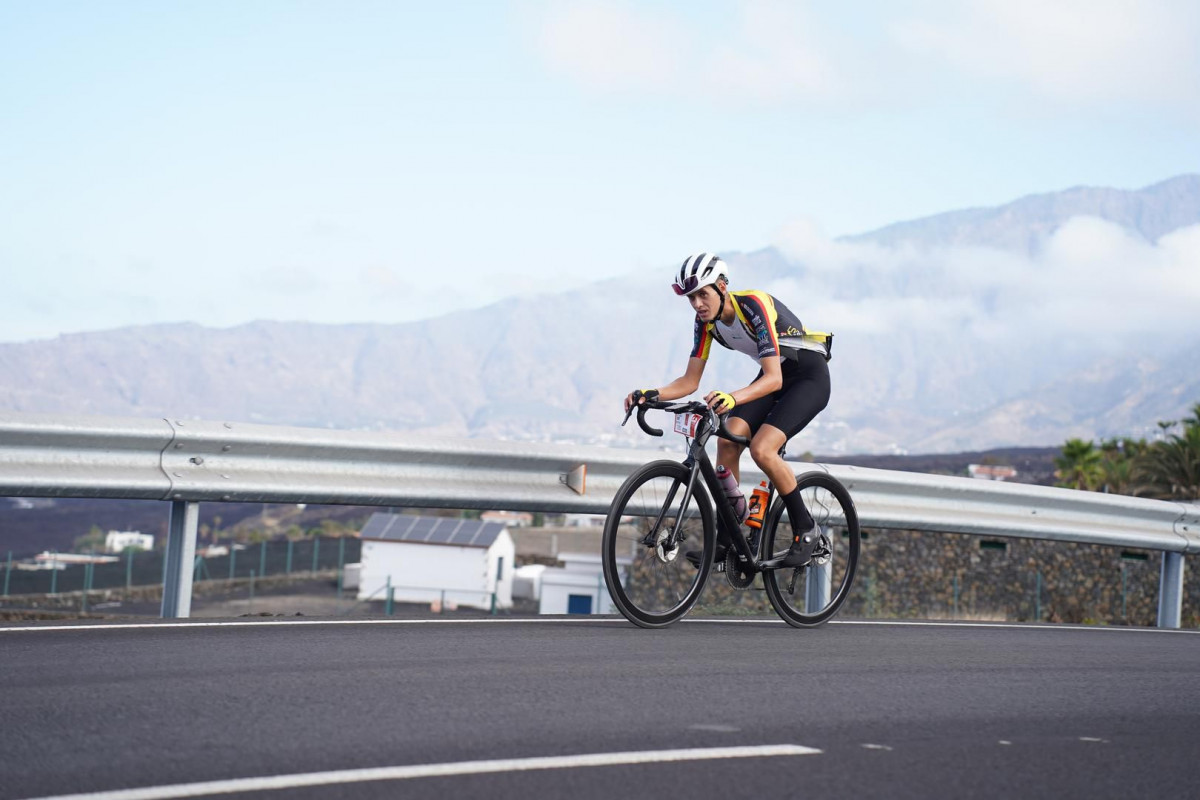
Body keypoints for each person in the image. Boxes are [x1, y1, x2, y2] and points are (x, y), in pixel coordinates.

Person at [623, 252, 832, 569]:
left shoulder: (753, 306)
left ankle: (807, 531)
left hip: (807, 377)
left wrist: (732, 397)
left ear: (722, 287)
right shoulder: (705, 324)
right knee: (727, 439)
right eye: (691, 298)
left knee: (763, 450)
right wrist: (649, 393)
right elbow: (690, 381)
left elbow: (774, 377)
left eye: (702, 294)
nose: (697, 304)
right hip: (773, 378)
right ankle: (729, 537)